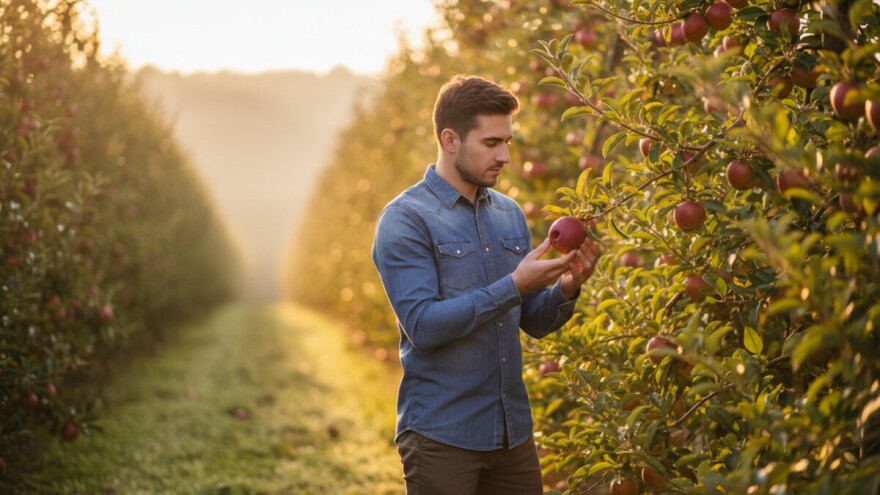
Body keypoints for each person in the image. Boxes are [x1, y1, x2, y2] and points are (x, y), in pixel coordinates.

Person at [371, 74, 600, 495]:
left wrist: (566, 288)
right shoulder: (406, 219)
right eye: (491, 143)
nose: (505, 156)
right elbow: (423, 326)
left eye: (508, 142)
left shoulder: (508, 214)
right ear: (450, 139)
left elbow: (530, 319)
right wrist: (513, 285)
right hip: (443, 435)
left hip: (512, 433)